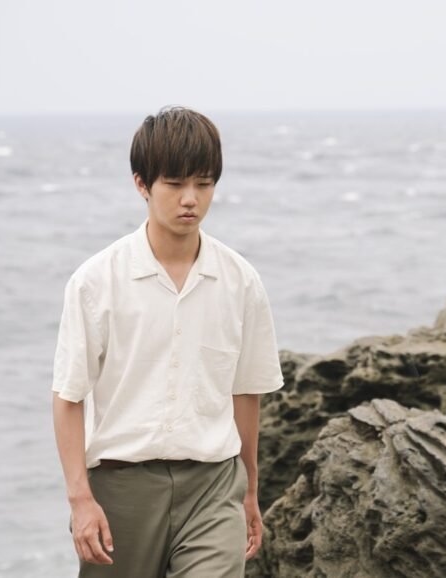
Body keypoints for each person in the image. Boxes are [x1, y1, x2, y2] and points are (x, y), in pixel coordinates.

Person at [51, 106, 284, 577]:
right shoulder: (95, 282)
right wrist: (80, 500)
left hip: (215, 487)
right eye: (175, 184)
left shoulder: (241, 281)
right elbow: (69, 397)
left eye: (204, 184)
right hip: (122, 488)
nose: (190, 199)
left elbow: (246, 393)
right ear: (142, 184)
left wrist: (250, 491)